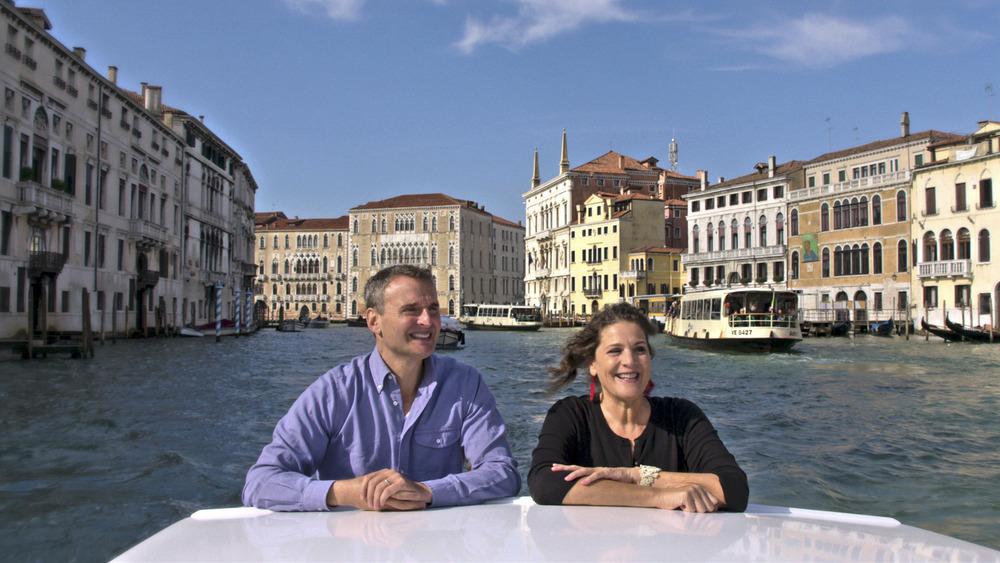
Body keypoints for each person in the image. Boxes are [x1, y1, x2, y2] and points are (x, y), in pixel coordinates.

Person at [243, 265, 521, 511]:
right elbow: (261, 482)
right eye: (411, 310)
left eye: (433, 309)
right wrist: (345, 492)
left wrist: (427, 492)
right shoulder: (333, 392)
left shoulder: (465, 384)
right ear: (374, 321)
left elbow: (502, 473)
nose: (428, 321)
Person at [528, 303, 748, 512]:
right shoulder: (571, 415)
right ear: (592, 364)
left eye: (639, 349)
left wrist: (636, 476)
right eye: (615, 351)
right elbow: (545, 483)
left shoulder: (682, 417)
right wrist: (660, 497)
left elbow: (734, 489)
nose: (630, 360)